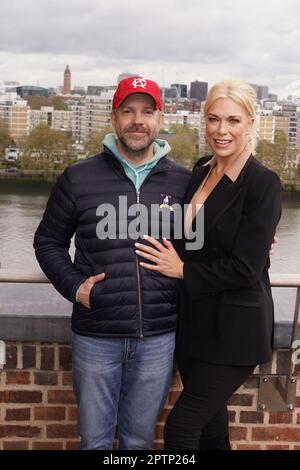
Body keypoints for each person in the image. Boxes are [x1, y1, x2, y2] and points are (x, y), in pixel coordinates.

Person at [33, 76, 192, 450]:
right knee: (94, 441)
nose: (137, 120)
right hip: (95, 335)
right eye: (128, 111)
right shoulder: (77, 178)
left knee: (139, 441)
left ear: (159, 118)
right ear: (113, 117)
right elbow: (48, 242)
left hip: (159, 336)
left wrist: (255, 240)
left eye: (147, 112)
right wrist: (76, 286)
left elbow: (208, 243)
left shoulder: (185, 181)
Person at [134, 79, 282, 450]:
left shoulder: (262, 183)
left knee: (181, 430)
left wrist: (181, 269)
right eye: (214, 119)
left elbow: (245, 270)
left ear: (250, 123)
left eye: (233, 120)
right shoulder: (201, 169)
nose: (221, 130)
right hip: (196, 325)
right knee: (212, 433)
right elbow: (194, 239)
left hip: (235, 332)